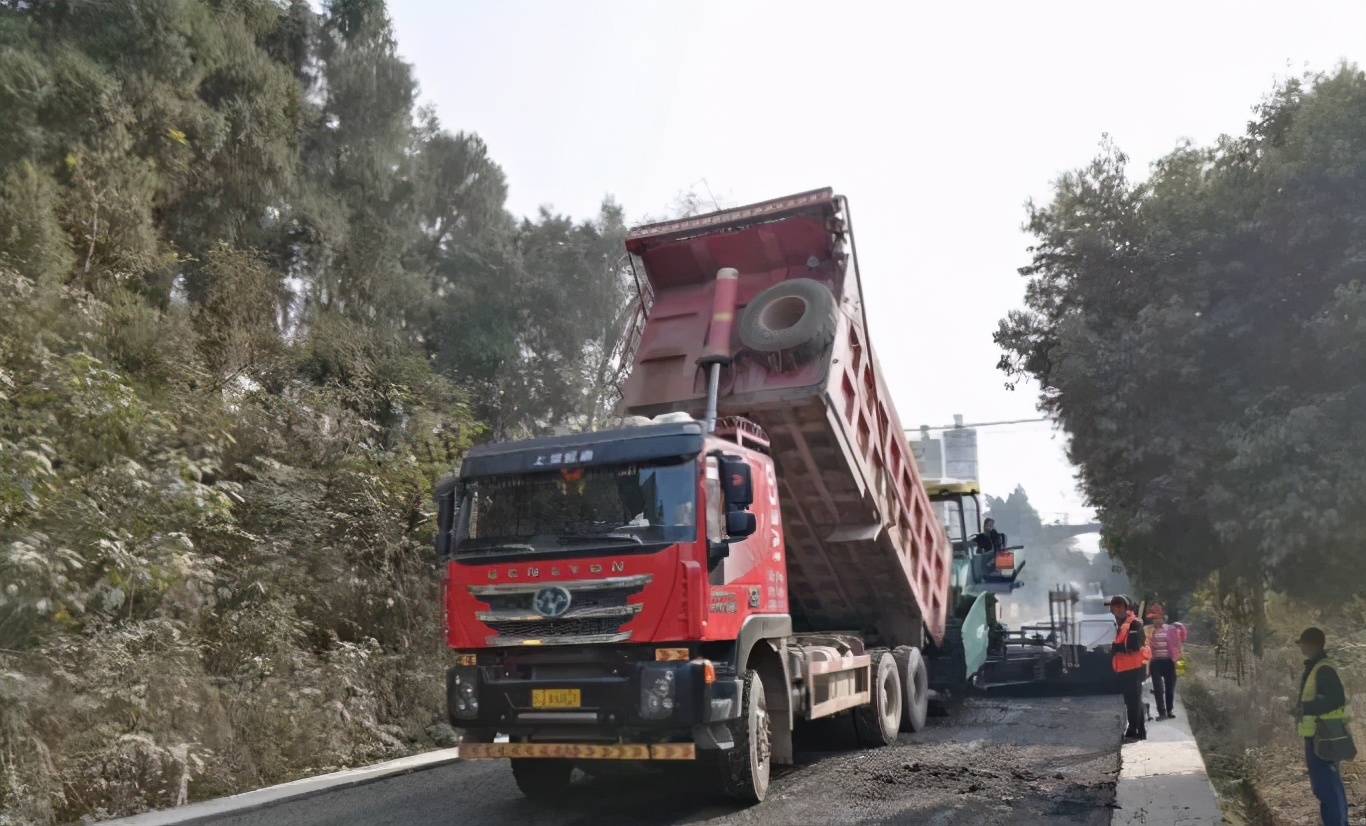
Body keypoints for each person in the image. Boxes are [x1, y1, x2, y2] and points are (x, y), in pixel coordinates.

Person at [1296, 627, 1349, 826]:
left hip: (1324, 737)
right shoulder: (1316, 666)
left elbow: (1336, 699)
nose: (1300, 646)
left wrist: (1306, 708)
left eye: (1302, 642)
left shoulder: (1324, 669)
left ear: (1312, 644)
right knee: (1327, 787)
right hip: (1317, 736)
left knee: (1328, 788)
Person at [1109, 594, 1148, 740]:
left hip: (1134, 668)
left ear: (1126, 607)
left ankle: (1134, 731)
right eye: (1115, 607)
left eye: (1120, 606)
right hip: (1124, 668)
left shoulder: (1134, 624)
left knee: (1134, 701)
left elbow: (1133, 645)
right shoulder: (1118, 624)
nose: (1117, 609)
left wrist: (1116, 647)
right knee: (1130, 700)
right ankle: (1139, 730)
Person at [1146, 605, 1186, 719]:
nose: (1156, 620)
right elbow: (1146, 645)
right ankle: (1161, 713)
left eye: (1158, 618)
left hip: (1169, 661)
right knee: (1158, 689)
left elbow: (1178, 643)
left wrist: (1176, 658)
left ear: (1163, 619)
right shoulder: (1148, 631)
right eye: (1153, 619)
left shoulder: (1171, 630)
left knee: (1170, 688)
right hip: (1155, 663)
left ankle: (1169, 711)